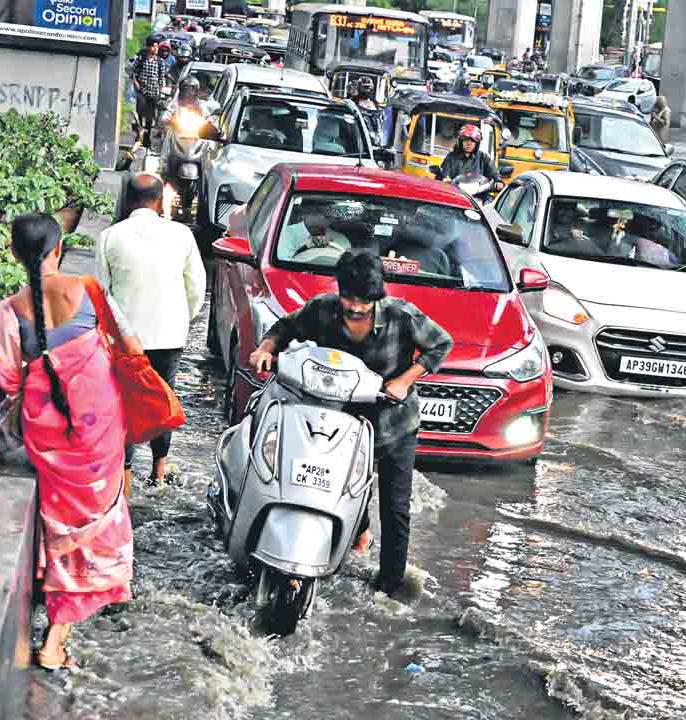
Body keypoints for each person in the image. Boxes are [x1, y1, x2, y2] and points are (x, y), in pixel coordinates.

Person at [0, 214, 139, 671]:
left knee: (57, 525)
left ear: (13, 253)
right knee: (94, 529)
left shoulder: (4, 314)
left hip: (44, 440)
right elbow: (131, 348)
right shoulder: (89, 291)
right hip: (97, 437)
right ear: (59, 248)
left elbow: (7, 384)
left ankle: (52, 620)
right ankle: (55, 640)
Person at [248, 250, 454, 596]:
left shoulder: (402, 316)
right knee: (334, 491)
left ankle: (387, 588)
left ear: (377, 297)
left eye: (364, 301)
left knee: (395, 507)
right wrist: (266, 349)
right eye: (349, 298)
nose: (355, 308)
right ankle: (354, 534)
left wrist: (405, 379)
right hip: (339, 423)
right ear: (339, 290)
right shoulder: (322, 310)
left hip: (393, 426)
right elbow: (284, 327)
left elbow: (441, 344)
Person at [95, 174, 205, 484]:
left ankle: (125, 475)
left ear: (129, 200)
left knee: (124, 400)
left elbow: (102, 294)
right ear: (160, 201)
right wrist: (183, 318)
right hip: (169, 333)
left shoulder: (109, 237)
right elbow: (196, 285)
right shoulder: (181, 234)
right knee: (163, 398)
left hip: (125, 338)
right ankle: (159, 470)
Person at [436, 125, 502, 189]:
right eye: (466, 139)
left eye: (473, 141)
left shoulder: (484, 158)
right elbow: (444, 174)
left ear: (477, 143)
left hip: (479, 195)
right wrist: (444, 179)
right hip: (456, 193)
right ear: (460, 141)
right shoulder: (451, 157)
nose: (469, 143)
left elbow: (494, 174)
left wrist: (498, 181)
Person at [132, 36, 167, 145]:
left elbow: (161, 78)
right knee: (140, 112)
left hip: (154, 93)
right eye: (153, 47)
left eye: (157, 47)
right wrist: (136, 83)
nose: (155, 49)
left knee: (150, 117)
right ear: (148, 47)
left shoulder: (160, 62)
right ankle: (139, 133)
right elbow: (134, 73)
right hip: (142, 91)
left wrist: (160, 91)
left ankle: (147, 138)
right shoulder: (141, 59)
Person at [279, 210, 351, 260]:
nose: (328, 215)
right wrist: (306, 247)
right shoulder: (287, 234)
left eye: (329, 215)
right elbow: (284, 261)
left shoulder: (339, 238)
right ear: (304, 215)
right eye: (319, 211)